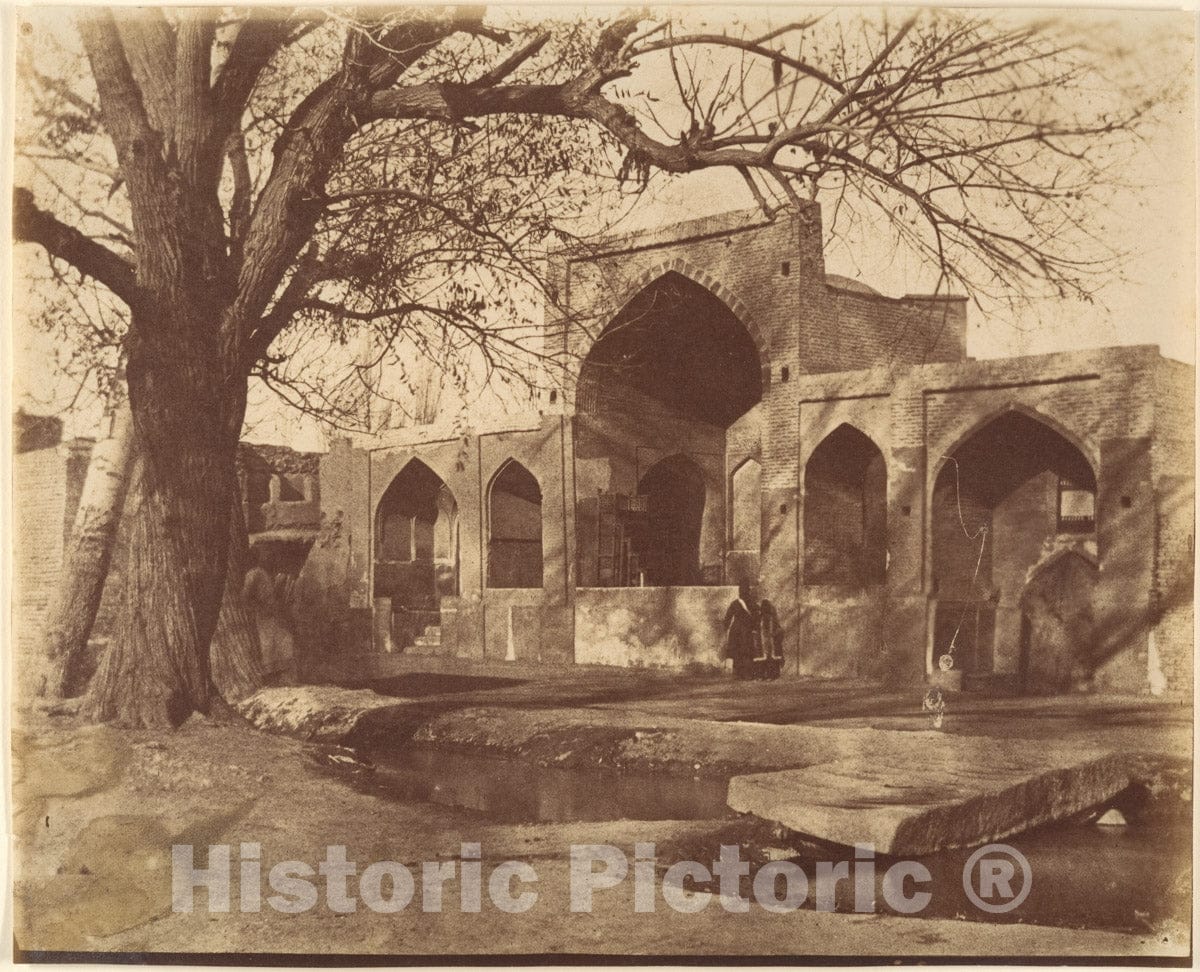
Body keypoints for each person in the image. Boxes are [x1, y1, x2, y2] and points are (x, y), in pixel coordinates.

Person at [723, 583, 759, 679]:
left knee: (737, 652)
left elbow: (728, 617)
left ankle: (739, 674)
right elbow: (756, 616)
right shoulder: (752, 603)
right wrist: (755, 628)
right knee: (747, 651)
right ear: (748, 591)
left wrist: (726, 626)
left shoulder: (735, 603)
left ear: (740, 592)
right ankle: (747, 674)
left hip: (736, 630)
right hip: (746, 630)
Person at [756, 597, 784, 680]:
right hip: (764, 640)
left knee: (771, 658)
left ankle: (773, 675)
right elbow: (758, 629)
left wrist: (774, 635)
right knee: (764, 658)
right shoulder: (760, 618)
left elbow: (779, 629)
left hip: (770, 640)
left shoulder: (772, 618)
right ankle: (764, 675)